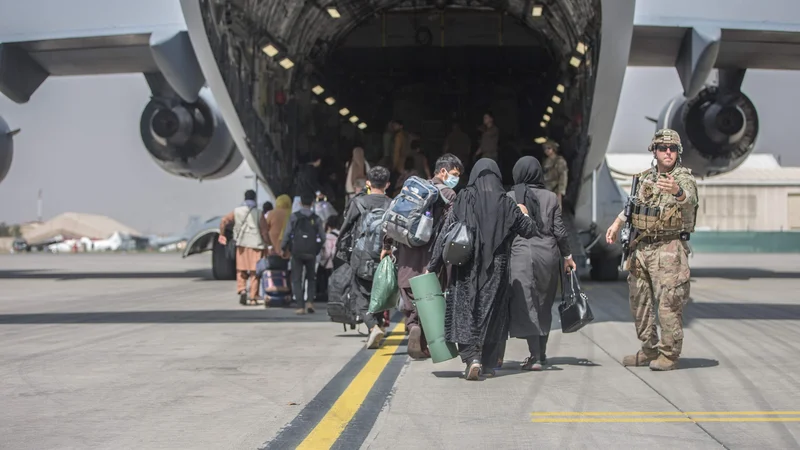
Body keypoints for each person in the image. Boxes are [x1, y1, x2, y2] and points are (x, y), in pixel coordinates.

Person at [427, 158, 536, 380]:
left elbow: (446, 232)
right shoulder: (506, 203)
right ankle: (486, 363)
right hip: (497, 268)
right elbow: (529, 231)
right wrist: (523, 212)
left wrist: (434, 265)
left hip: (466, 266)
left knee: (465, 312)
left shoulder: (464, 198)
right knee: (493, 315)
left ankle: (471, 358)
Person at [605, 128, 698, 371]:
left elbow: (689, 199)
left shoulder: (683, 178)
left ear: (679, 152)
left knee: (668, 303)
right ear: (654, 151)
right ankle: (648, 349)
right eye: (663, 148)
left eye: (673, 149)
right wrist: (617, 224)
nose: (668, 153)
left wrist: (676, 191)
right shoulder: (645, 177)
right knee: (640, 301)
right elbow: (632, 206)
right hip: (642, 249)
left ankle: (669, 354)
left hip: (669, 248)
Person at [506, 156, 576, 370]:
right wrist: (567, 256)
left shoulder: (510, 196)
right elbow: (560, 231)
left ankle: (535, 355)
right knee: (544, 304)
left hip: (520, 253)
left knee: (526, 303)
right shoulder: (551, 197)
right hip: (548, 254)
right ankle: (541, 354)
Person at [396, 154, 462, 359]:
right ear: (442, 171)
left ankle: (412, 325)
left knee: (409, 289)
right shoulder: (449, 195)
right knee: (429, 294)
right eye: (454, 174)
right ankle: (422, 338)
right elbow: (453, 227)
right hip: (430, 253)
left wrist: (388, 246)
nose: (456, 178)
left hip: (407, 251)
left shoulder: (413, 188)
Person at [339, 166, 394, 349]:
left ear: (368, 183)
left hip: (362, 255)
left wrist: (342, 252)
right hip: (385, 255)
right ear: (387, 184)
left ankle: (372, 326)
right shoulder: (392, 204)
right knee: (379, 292)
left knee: (360, 294)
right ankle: (377, 327)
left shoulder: (359, 202)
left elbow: (346, 229)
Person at [219, 189, 270, 305]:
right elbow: (264, 231)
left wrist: (222, 235)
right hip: (256, 245)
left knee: (241, 270)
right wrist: (268, 243)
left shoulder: (236, 211)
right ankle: (253, 298)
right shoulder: (258, 212)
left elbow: (224, 220)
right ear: (254, 199)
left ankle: (242, 290)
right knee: (254, 272)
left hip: (241, 244)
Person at [282, 193, 326, 315]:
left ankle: (300, 306)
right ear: (312, 203)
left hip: (296, 252)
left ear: (300, 203)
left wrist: (283, 247)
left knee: (296, 279)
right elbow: (323, 237)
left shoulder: (294, 217)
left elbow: (287, 234)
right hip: (311, 252)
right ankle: (310, 302)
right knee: (311, 278)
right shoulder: (316, 218)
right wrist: (317, 247)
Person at [317, 214, 342, 303]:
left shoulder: (328, 237)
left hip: (330, 263)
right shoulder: (342, 234)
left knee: (328, 280)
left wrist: (322, 263)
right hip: (340, 262)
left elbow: (327, 253)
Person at [542, 139, 568, 206]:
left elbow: (563, 176)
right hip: (546, 188)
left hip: (555, 189)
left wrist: (560, 191)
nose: (546, 150)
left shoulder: (559, 161)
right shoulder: (545, 162)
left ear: (553, 148)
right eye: (545, 148)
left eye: (549, 148)